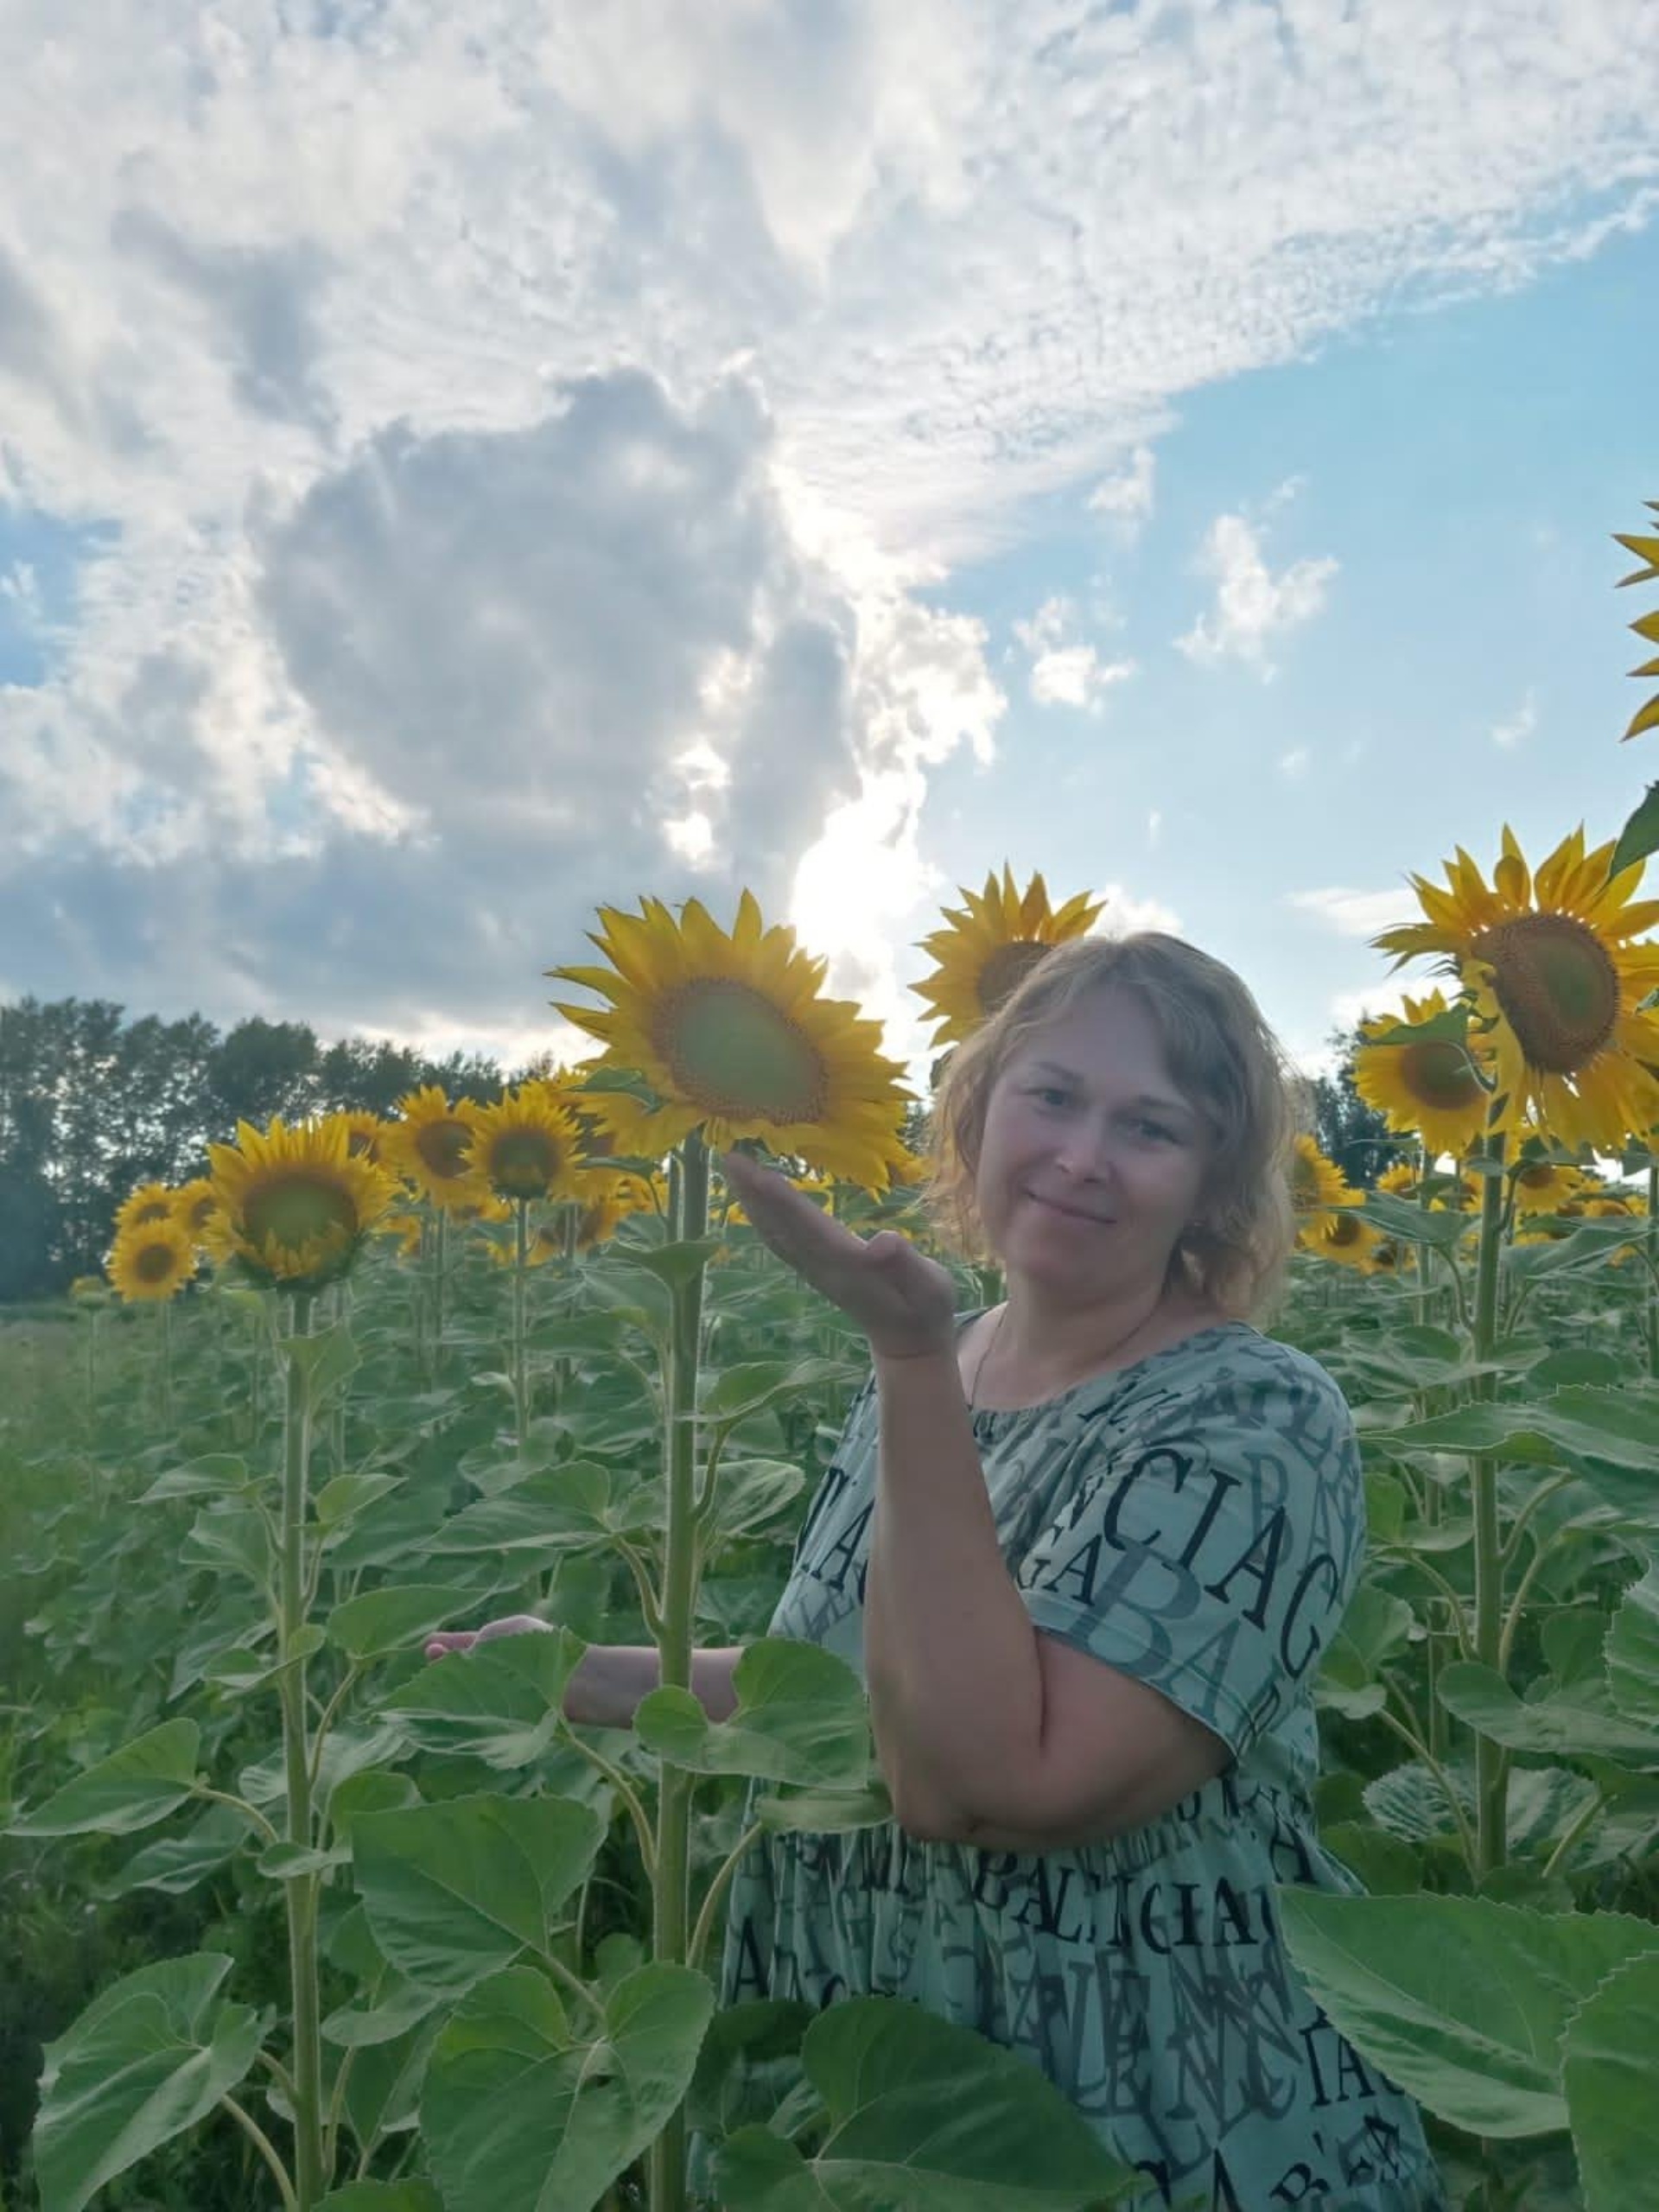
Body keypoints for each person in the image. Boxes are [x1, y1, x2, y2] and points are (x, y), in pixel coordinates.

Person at [427, 932, 1447, 2211]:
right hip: (853, 2097)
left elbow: (983, 1785)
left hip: (1147, 2116)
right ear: (978, 1108)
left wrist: (904, 1362)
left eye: (1150, 1127)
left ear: (1214, 1184)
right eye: (1054, 1096)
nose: (1081, 1156)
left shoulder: (1255, 1420)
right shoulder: (944, 1360)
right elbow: (862, 1683)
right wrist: (591, 1675)